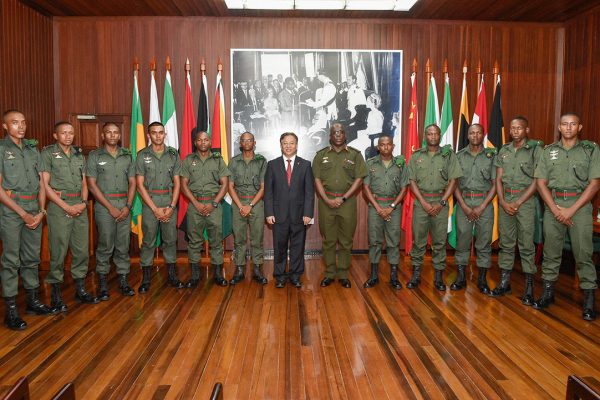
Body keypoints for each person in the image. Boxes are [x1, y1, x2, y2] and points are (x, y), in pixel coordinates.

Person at [534, 113, 600, 320]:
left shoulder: (590, 150)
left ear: (579, 127)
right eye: (564, 124)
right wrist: (554, 209)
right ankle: (547, 293)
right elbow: (540, 183)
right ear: (559, 127)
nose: (569, 128)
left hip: (579, 207)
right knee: (551, 253)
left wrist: (570, 211)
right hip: (554, 205)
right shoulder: (548, 151)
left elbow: (595, 183)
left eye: (573, 124)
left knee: (583, 254)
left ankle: (589, 301)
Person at [0, 110, 54, 330]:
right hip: (12, 211)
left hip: (34, 208)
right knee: (11, 261)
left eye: (23, 122)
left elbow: (42, 183)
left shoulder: (33, 151)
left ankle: (33, 301)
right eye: (14, 123)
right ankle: (11, 310)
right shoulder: (2, 150)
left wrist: (41, 211)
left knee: (32, 258)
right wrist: (22, 213)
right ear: (5, 126)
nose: (20, 127)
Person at [41, 121, 98, 310]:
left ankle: (80, 289)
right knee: (58, 251)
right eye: (63, 133)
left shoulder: (79, 154)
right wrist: (66, 206)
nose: (68, 136)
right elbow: (45, 186)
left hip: (79, 207)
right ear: (55, 136)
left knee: (81, 250)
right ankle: (56, 293)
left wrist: (82, 203)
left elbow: (84, 183)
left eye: (71, 133)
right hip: (59, 207)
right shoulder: (48, 153)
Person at [406, 124, 462, 291]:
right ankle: (416, 275)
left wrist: (442, 202)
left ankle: (438, 277)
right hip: (421, 202)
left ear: (439, 136)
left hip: (441, 202)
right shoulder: (416, 156)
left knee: (439, 242)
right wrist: (423, 202)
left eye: (435, 134)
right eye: (429, 134)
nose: (432, 136)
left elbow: (454, 181)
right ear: (425, 136)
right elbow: (411, 181)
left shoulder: (448, 156)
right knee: (419, 241)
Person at [493, 116, 542, 302]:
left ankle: (529, 287)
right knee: (506, 243)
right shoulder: (504, 151)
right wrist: (503, 202)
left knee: (526, 244)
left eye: (519, 128)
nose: (515, 131)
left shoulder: (535, 150)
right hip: (506, 199)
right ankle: (505, 283)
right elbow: (498, 179)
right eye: (512, 128)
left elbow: (538, 180)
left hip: (526, 201)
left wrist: (519, 202)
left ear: (526, 130)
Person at [86, 123, 136, 300]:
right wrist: (110, 208)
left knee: (123, 245)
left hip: (124, 204)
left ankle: (123, 280)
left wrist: (127, 206)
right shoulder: (94, 156)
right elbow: (91, 185)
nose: (113, 135)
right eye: (109, 132)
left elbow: (133, 182)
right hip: (104, 206)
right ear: (102, 135)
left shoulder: (128, 156)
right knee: (105, 245)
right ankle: (103, 283)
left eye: (116, 132)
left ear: (119, 135)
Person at [313, 123, 366, 288]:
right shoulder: (321, 155)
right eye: (334, 132)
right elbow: (317, 179)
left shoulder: (355, 155)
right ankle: (329, 273)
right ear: (330, 135)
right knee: (328, 240)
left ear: (345, 135)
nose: (337, 135)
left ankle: (343, 273)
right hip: (325, 202)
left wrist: (343, 198)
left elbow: (359, 179)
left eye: (341, 132)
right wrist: (327, 199)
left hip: (347, 202)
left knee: (345, 240)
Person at [135, 122, 182, 293]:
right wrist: (154, 208)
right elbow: (140, 185)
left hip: (169, 201)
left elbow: (177, 183)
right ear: (149, 135)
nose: (158, 136)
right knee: (148, 241)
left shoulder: (173, 155)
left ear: (165, 134)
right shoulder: (142, 155)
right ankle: (146, 278)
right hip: (150, 203)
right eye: (154, 133)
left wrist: (171, 206)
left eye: (161, 133)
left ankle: (172, 276)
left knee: (170, 240)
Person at [264, 132, 315, 288]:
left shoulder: (305, 164)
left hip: (299, 215)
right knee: (279, 247)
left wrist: (308, 213)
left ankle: (295, 275)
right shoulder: (272, 165)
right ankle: (279, 275)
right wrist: (269, 212)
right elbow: (269, 192)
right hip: (278, 215)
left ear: (297, 145)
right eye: (285, 143)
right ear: (280, 145)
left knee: (297, 246)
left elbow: (309, 192)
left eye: (291, 143)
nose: (288, 146)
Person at [181, 130, 230, 287]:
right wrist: (195, 203)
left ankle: (217, 274)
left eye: (206, 140)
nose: (203, 143)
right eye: (200, 140)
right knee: (194, 242)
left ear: (210, 142)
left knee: (216, 241)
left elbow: (225, 184)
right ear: (195, 143)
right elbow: (183, 184)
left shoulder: (218, 160)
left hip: (214, 206)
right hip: (194, 206)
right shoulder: (188, 160)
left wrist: (214, 203)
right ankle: (195, 276)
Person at [451, 124, 496, 293]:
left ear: (483, 135)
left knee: (484, 242)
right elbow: (454, 183)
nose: (475, 135)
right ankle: (461, 278)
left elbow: (495, 184)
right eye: (472, 133)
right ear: (468, 136)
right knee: (462, 241)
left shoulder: (492, 156)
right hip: (464, 203)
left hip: (485, 203)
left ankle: (482, 280)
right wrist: (463, 205)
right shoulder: (459, 156)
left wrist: (482, 206)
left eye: (478, 132)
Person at [362, 135, 407, 289]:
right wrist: (378, 207)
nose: (386, 147)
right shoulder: (370, 164)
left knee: (394, 242)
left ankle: (394, 277)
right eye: (382, 144)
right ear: (378, 147)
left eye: (389, 144)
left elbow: (404, 188)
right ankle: (373, 276)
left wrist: (392, 206)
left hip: (393, 207)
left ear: (393, 146)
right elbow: (366, 188)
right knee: (374, 241)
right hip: (376, 206)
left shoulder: (400, 165)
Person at [228, 132, 268, 285]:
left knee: (257, 238)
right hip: (238, 202)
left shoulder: (261, 161)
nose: (246, 143)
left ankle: (257, 269)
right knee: (239, 239)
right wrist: (240, 206)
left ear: (254, 142)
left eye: (249, 140)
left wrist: (250, 205)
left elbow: (264, 187)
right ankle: (239, 269)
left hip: (256, 203)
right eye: (243, 140)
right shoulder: (234, 161)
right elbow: (230, 186)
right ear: (240, 143)